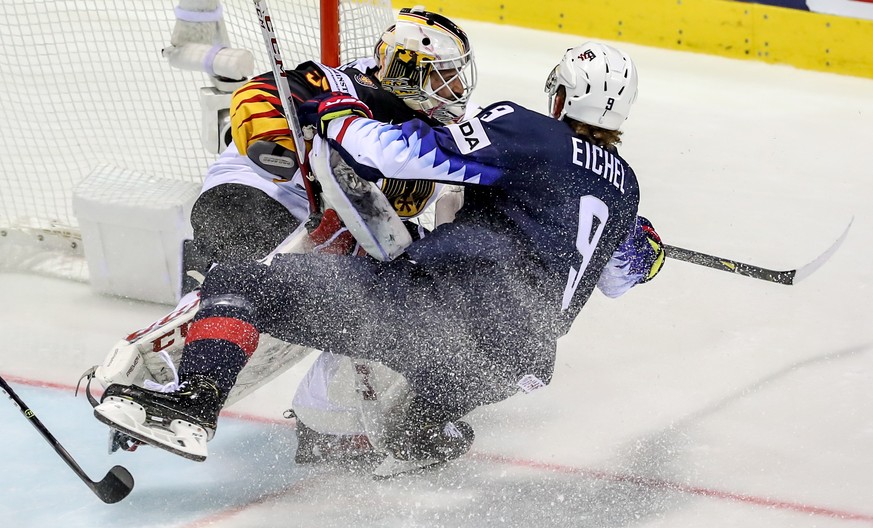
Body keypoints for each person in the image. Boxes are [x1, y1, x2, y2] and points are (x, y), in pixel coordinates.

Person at [94, 41, 665, 468]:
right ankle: (415, 432)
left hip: (441, 318)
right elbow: (618, 278)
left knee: (245, 280)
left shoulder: (529, 130)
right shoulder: (625, 191)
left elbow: (396, 155)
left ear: (560, 96)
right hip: (517, 366)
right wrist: (650, 250)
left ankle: (189, 407)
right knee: (430, 391)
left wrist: (335, 106)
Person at [182, 6, 477, 290]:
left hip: (321, 227)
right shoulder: (340, 85)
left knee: (413, 274)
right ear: (408, 71)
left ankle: (228, 288)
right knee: (245, 270)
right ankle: (219, 290)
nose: (459, 89)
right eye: (446, 76)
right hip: (254, 193)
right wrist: (297, 161)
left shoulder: (435, 126)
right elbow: (255, 98)